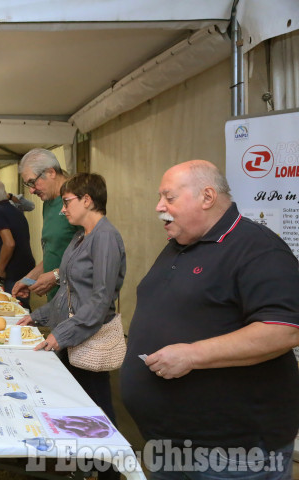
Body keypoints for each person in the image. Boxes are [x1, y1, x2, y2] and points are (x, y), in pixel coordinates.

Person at [120, 160, 299, 478]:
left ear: (207, 197)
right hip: (169, 445)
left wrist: (191, 355)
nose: (159, 206)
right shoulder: (179, 245)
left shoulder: (258, 249)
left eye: (169, 197)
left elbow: (283, 330)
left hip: (233, 454)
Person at [17, 173, 125, 461]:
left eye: (67, 202)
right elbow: (67, 290)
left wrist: (61, 334)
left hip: (89, 337)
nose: (63, 209)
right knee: (75, 405)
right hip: (72, 335)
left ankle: (109, 469)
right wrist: (37, 317)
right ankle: (84, 462)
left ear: (87, 200)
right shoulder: (80, 236)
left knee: (97, 408)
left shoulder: (105, 238)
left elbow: (100, 301)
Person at [12, 149, 78, 302]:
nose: (31, 190)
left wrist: (55, 276)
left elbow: (91, 258)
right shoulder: (48, 203)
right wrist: (27, 280)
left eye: (33, 182)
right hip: (56, 301)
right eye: (27, 184)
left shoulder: (76, 201)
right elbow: (53, 254)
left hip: (76, 303)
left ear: (51, 172)